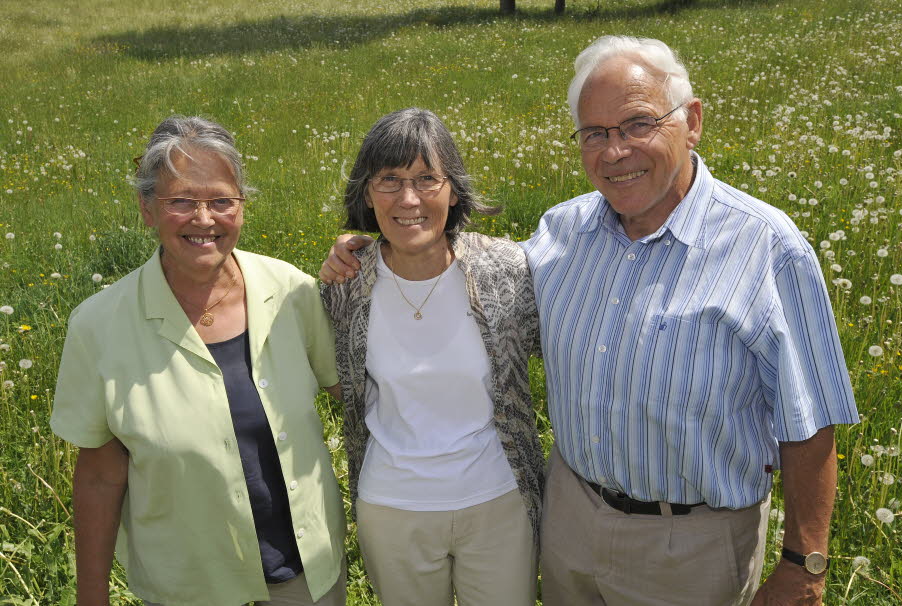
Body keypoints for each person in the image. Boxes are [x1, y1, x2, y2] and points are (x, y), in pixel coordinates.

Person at [320, 37, 859, 606]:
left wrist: (805, 566)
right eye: (595, 133)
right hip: (570, 524)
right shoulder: (560, 235)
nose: (615, 151)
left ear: (692, 121)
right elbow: (458, 277)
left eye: (637, 124)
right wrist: (362, 251)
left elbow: (811, 419)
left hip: (692, 545)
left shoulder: (767, 247)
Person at [51, 116, 347, 606]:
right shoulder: (98, 326)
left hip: (306, 578)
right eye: (181, 202)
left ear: (242, 207)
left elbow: (355, 395)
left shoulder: (292, 292)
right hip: (188, 586)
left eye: (221, 201)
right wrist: (91, 596)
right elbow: (102, 476)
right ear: (146, 209)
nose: (204, 219)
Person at [320, 107, 543, 606]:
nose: (408, 199)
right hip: (392, 508)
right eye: (390, 180)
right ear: (366, 193)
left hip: (498, 502)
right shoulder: (344, 285)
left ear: (454, 190)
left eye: (427, 179)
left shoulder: (507, 269)